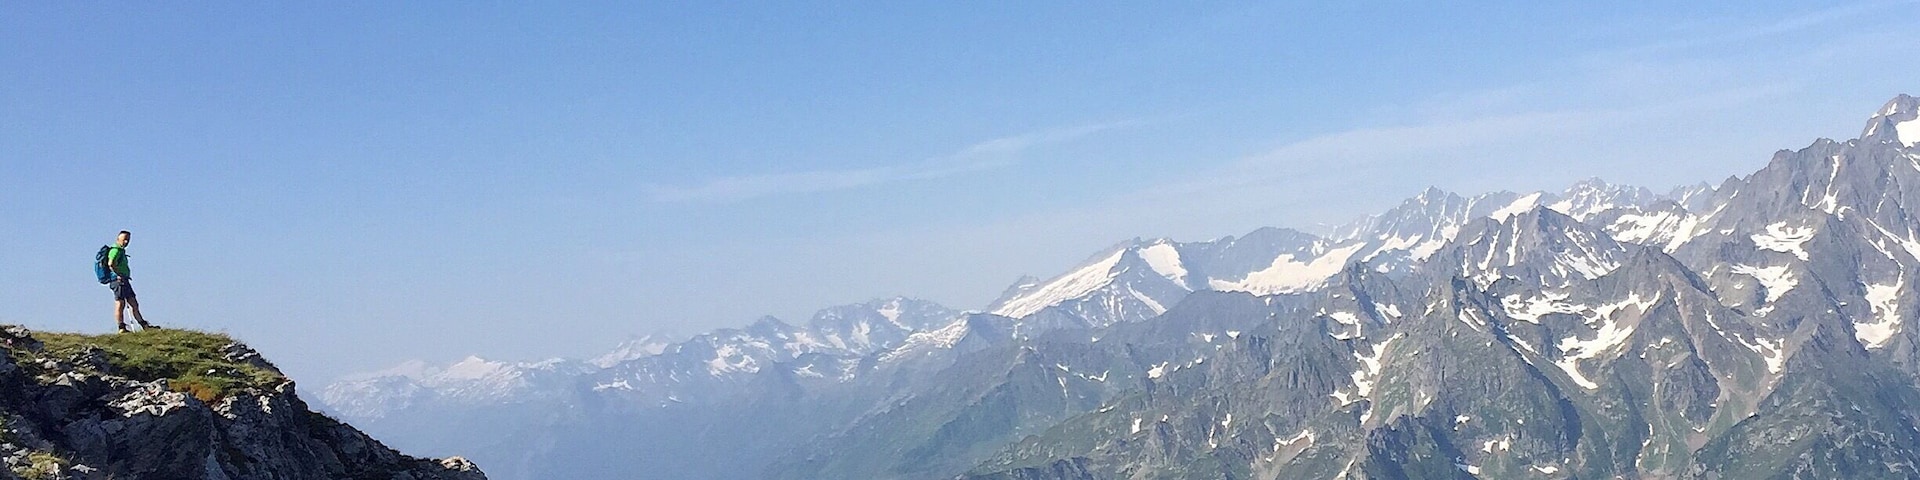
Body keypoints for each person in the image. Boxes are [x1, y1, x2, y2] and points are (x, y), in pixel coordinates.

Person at [103, 230, 157, 333]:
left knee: (133, 303)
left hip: (124, 280)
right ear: (118, 239)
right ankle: (121, 327)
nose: (126, 242)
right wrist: (118, 274)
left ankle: (144, 325)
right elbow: (111, 263)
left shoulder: (121, 251)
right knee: (120, 303)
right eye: (124, 239)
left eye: (128, 239)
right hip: (118, 280)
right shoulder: (116, 250)